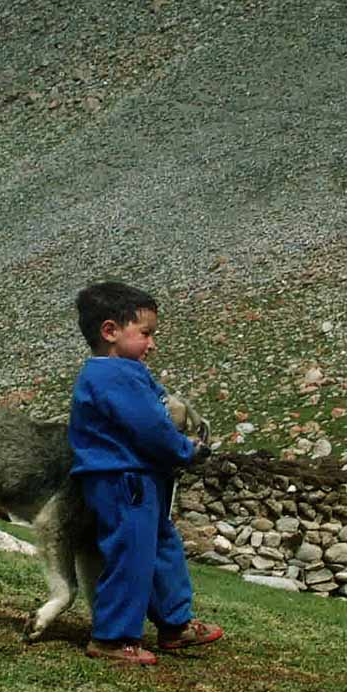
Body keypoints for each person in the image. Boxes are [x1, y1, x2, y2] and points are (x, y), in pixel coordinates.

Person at [69, 281, 224, 665]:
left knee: (161, 549)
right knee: (132, 555)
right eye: (146, 334)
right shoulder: (113, 376)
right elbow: (150, 427)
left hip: (140, 480)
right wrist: (185, 450)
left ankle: (175, 622)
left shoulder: (126, 372)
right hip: (124, 479)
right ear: (110, 331)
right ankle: (112, 637)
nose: (152, 344)